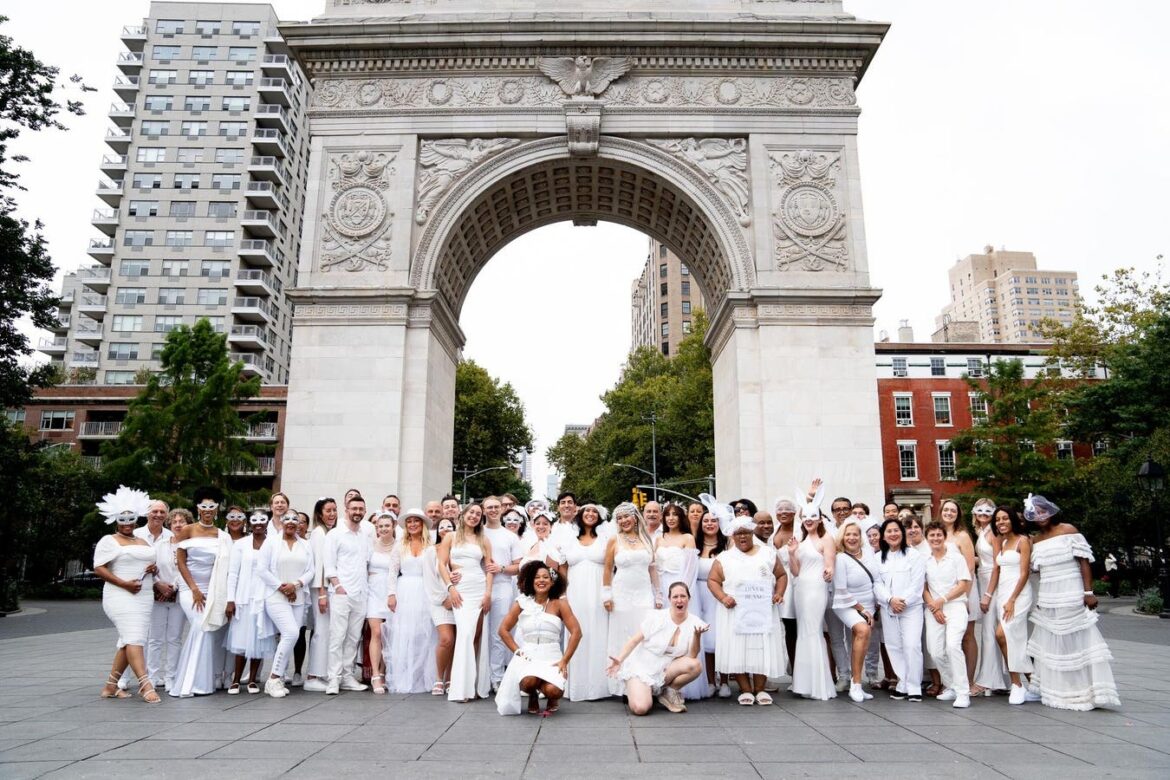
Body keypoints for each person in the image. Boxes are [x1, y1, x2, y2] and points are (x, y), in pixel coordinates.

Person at [1025, 494, 1120, 711]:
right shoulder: (1035, 540)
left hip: (1071, 588)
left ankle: (1087, 689)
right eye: (1035, 514)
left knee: (1078, 639)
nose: (1040, 517)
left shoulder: (1069, 530)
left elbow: (1084, 562)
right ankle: (1059, 689)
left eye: (1042, 511)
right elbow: (1037, 572)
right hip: (1049, 592)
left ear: (1050, 511)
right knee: (1053, 644)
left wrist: (1088, 591)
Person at [708, 517, 787, 705]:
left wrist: (779, 593)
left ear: (752, 533)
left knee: (762, 646)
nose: (742, 536)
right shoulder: (724, 558)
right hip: (734, 610)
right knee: (737, 648)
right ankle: (745, 689)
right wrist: (723, 597)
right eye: (738, 533)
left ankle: (760, 689)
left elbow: (781, 575)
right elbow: (713, 581)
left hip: (762, 609)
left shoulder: (767, 553)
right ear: (732, 536)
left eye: (746, 532)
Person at [94, 486, 161, 704]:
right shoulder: (108, 540)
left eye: (131, 519)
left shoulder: (142, 541)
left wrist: (153, 569)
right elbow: (99, 568)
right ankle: (145, 683)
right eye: (122, 520)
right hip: (119, 596)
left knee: (129, 639)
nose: (127, 523)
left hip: (143, 596)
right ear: (116, 520)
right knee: (134, 638)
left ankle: (110, 686)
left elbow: (150, 563)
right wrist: (124, 584)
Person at [496, 561, 583, 715]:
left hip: (552, 656)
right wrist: (517, 651)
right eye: (537, 577)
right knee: (529, 682)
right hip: (529, 656)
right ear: (531, 580)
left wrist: (564, 661)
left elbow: (576, 632)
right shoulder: (521, 603)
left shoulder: (560, 604)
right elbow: (503, 630)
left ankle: (551, 698)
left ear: (552, 581)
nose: (541, 580)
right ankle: (533, 695)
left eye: (545, 577)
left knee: (553, 690)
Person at [607, 582, 709, 715]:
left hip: (666, 668)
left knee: (695, 665)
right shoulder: (657, 617)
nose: (679, 600)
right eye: (675, 596)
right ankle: (642, 690)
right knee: (641, 708)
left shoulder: (695, 622)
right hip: (642, 666)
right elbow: (634, 640)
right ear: (669, 599)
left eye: (683, 596)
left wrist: (697, 636)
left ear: (689, 599)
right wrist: (619, 660)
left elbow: (692, 655)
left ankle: (669, 691)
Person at [170, 486, 233, 698]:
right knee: (201, 627)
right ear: (198, 508)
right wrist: (194, 588)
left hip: (212, 591)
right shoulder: (187, 530)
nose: (207, 510)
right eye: (204, 506)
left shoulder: (222, 536)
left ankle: (202, 682)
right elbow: (180, 562)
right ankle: (187, 684)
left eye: (212, 506)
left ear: (217, 509)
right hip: (191, 590)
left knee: (206, 631)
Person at [603, 502, 663, 696]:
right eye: (619, 518)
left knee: (644, 635)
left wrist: (658, 595)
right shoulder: (614, 540)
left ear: (635, 517)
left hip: (644, 593)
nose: (623, 521)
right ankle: (621, 684)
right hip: (621, 594)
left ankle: (644, 680)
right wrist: (606, 595)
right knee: (622, 635)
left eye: (626, 517)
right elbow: (607, 568)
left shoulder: (647, 539)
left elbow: (652, 568)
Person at [439, 503, 494, 702]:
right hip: (460, 590)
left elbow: (489, 568)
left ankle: (471, 685)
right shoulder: (450, 537)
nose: (474, 516)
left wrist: (488, 593)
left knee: (473, 636)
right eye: (471, 512)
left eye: (478, 514)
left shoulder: (484, 540)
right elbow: (441, 565)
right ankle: (459, 689)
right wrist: (450, 588)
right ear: (463, 514)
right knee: (465, 633)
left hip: (479, 588)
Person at [259, 512, 314, 698]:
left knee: (293, 635)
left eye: (294, 520)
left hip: (298, 596)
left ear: (299, 524)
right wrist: (282, 587)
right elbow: (262, 569)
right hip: (276, 596)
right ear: (281, 522)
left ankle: (280, 676)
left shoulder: (306, 545)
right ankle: (273, 678)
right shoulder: (271, 542)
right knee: (290, 632)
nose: (291, 523)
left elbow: (311, 571)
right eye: (287, 520)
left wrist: (296, 585)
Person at [788, 487, 836, 701]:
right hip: (801, 588)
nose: (809, 520)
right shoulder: (799, 541)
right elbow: (795, 571)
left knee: (814, 631)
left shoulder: (826, 540)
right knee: (803, 632)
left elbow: (829, 564)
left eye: (813, 517)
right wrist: (791, 553)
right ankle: (804, 684)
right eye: (805, 517)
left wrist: (829, 572)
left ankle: (819, 685)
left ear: (819, 519)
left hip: (817, 588)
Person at [985, 505, 1035, 704]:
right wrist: (991, 595)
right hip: (1002, 594)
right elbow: (996, 570)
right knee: (1012, 639)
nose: (1001, 522)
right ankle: (1033, 681)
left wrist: (1012, 600)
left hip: (1019, 594)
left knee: (1001, 634)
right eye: (997, 520)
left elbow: (1024, 573)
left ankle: (1017, 684)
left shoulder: (1023, 541)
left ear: (1012, 519)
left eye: (1005, 518)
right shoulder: (1001, 541)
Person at [323, 495, 372, 695]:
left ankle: (347, 676)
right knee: (337, 637)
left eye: (361, 509)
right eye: (354, 508)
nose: (358, 512)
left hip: (361, 594)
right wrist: (338, 586)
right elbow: (329, 564)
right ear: (347, 509)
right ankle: (333, 679)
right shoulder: (335, 535)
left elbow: (367, 564)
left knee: (353, 638)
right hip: (341, 593)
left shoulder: (365, 535)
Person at [386, 508, 439, 694]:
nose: (413, 524)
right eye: (409, 522)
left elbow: (436, 572)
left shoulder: (431, 546)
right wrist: (391, 594)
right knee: (405, 633)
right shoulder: (399, 545)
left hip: (425, 591)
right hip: (405, 590)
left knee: (424, 633)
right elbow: (392, 571)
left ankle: (423, 677)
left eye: (417, 521)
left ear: (422, 524)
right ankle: (404, 677)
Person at [874, 517, 927, 702]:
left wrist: (902, 602)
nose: (893, 534)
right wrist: (890, 600)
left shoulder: (913, 556)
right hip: (888, 608)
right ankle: (903, 683)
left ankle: (914, 686)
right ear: (883, 535)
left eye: (896, 530)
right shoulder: (878, 558)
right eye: (889, 531)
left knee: (912, 645)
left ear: (902, 533)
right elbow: (877, 584)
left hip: (910, 609)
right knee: (894, 646)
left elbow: (917, 583)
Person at [225, 509, 275, 694]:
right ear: (250, 522)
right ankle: (236, 679)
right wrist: (231, 599)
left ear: (267, 522)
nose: (259, 523)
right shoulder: (241, 544)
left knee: (259, 638)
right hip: (243, 597)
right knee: (241, 638)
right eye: (255, 520)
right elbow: (233, 573)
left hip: (264, 597)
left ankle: (253, 679)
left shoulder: (273, 543)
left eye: (262, 520)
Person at [563, 503, 610, 701]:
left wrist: (609, 593)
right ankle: (576, 686)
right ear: (580, 516)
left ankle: (599, 687)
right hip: (574, 593)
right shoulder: (569, 540)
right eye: (586, 511)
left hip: (598, 593)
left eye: (594, 512)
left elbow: (611, 568)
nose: (590, 514)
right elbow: (561, 566)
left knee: (599, 635)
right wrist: (562, 593)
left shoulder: (606, 540)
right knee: (576, 633)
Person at [923, 521, 972, 708]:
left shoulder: (955, 558)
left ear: (944, 537)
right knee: (935, 651)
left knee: (952, 646)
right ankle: (950, 685)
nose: (935, 538)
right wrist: (934, 607)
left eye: (939, 535)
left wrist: (941, 600)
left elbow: (963, 585)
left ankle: (963, 692)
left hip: (955, 606)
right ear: (927, 538)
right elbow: (923, 588)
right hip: (934, 609)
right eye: (932, 535)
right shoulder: (924, 560)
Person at [831, 519, 877, 702]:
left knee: (862, 639)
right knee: (862, 629)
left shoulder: (869, 553)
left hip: (869, 604)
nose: (851, 538)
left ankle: (856, 681)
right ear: (842, 537)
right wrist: (862, 609)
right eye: (848, 534)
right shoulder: (840, 558)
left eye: (855, 534)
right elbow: (841, 589)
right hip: (847, 604)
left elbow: (877, 579)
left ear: (861, 537)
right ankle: (856, 686)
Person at [938, 499, 980, 696]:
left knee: (966, 636)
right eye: (946, 509)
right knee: (948, 638)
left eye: (952, 510)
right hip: (943, 593)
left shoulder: (962, 536)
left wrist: (966, 596)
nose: (949, 513)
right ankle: (952, 681)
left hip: (965, 589)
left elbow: (970, 568)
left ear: (958, 514)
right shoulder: (937, 533)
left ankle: (969, 681)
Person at [481, 495, 523, 692]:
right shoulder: (477, 532)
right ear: (483, 510)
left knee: (498, 632)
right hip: (476, 586)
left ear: (501, 509)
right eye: (489, 507)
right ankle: (478, 675)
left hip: (502, 586)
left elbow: (519, 566)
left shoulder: (510, 536)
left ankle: (496, 677)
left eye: (496, 507)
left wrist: (501, 567)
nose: (493, 510)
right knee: (478, 633)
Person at [972, 498, 1009, 694]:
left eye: (988, 511)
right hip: (984, 580)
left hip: (992, 585)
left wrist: (987, 594)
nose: (983, 514)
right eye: (980, 511)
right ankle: (999, 680)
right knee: (988, 630)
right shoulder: (982, 532)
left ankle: (988, 680)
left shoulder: (993, 533)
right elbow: (983, 559)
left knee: (988, 631)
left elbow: (996, 564)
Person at [303, 498, 338, 692]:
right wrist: (323, 593)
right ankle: (312, 675)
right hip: (321, 589)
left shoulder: (331, 532)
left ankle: (322, 672)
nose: (332, 514)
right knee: (321, 631)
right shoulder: (318, 533)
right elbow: (320, 565)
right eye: (328, 511)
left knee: (328, 632)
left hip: (329, 589)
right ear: (320, 514)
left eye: (334, 510)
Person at [425, 517, 459, 694]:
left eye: (449, 526)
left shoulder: (460, 550)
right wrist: (443, 598)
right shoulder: (432, 551)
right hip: (440, 602)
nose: (445, 529)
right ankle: (438, 678)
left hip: (459, 600)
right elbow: (430, 579)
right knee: (446, 639)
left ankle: (450, 678)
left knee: (457, 641)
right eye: (442, 526)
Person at [694, 509, 726, 696]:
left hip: (720, 594)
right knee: (705, 637)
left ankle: (724, 681)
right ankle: (710, 680)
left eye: (714, 520)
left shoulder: (727, 545)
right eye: (706, 520)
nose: (709, 524)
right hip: (699, 594)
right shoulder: (695, 545)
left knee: (722, 636)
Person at [365, 509, 397, 694]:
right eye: (380, 526)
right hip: (373, 592)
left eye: (387, 525)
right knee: (376, 632)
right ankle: (375, 674)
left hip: (392, 593)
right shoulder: (370, 546)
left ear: (393, 527)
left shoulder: (400, 546)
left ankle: (384, 672)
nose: (383, 529)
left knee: (388, 634)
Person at [772, 497, 799, 673]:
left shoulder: (800, 531)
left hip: (797, 580)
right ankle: (792, 667)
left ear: (795, 513)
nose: (783, 512)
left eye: (787, 509)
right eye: (780, 510)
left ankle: (800, 668)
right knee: (786, 626)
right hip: (779, 582)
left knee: (797, 626)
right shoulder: (774, 531)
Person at [519, 512, 567, 579]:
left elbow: (553, 577)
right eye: (538, 523)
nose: (541, 526)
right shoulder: (532, 545)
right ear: (533, 526)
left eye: (545, 524)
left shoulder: (551, 547)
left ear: (551, 527)